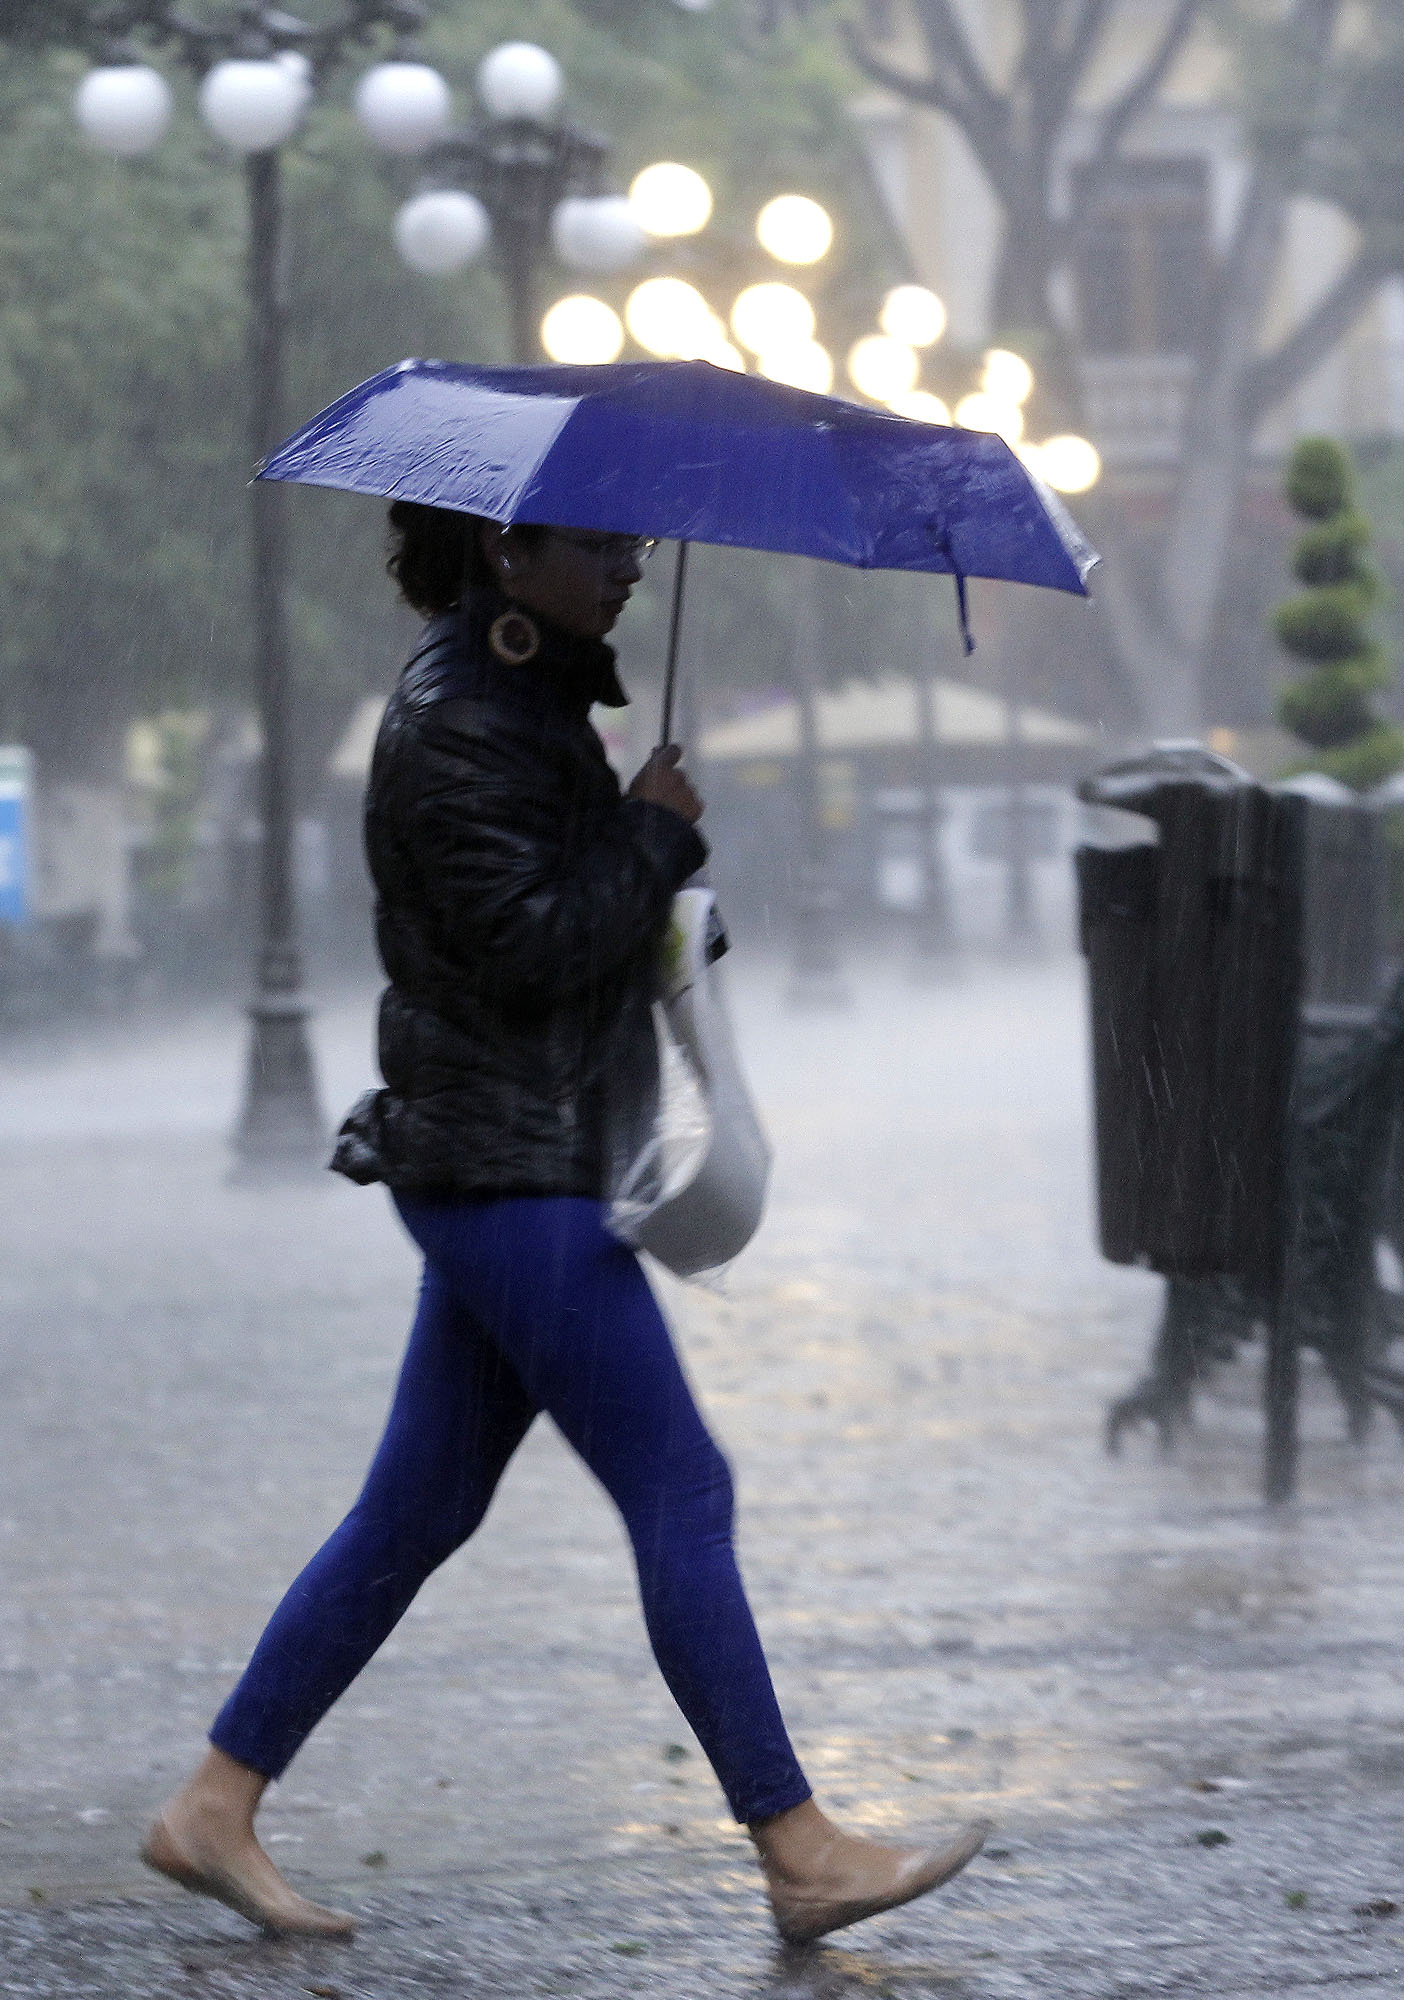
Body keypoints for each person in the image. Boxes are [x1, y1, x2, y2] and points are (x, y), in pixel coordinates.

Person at [142, 503, 986, 1947]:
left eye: (632, 545)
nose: (629, 563)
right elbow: (532, 947)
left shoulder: (515, 699)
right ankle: (796, 1846)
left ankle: (214, 1806)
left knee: (414, 1512)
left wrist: (645, 845)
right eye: (596, 542)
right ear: (504, 552)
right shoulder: (462, 719)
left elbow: (558, 924)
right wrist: (648, 836)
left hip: (522, 1151)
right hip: (503, 1167)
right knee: (681, 1488)